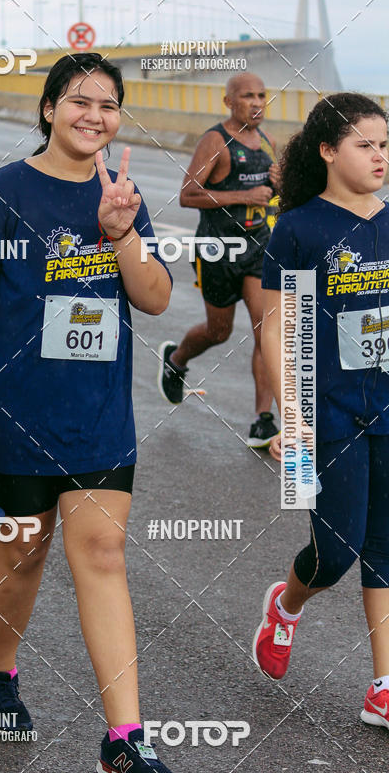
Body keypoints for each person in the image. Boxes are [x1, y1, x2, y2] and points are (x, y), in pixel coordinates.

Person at [0, 52, 179, 773]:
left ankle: (124, 741)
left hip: (99, 415)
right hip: (13, 414)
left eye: (108, 104)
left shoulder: (122, 197)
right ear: (47, 110)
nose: (93, 115)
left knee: (102, 551)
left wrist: (120, 232)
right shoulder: (3, 193)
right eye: (78, 100)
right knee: (25, 550)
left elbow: (158, 298)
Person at [253, 92, 389, 731]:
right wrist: (293, 414)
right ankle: (288, 602)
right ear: (330, 151)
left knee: (385, 548)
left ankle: (383, 686)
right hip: (327, 413)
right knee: (335, 555)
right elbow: (277, 329)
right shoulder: (302, 228)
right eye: (365, 144)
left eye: (385, 145)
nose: (380, 156)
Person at [158, 72, 281, 447]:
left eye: (262, 95)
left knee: (267, 330)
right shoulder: (216, 140)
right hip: (217, 249)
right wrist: (245, 196)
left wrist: (281, 183)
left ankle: (263, 420)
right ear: (229, 101)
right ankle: (176, 360)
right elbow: (188, 195)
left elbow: (273, 194)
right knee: (219, 331)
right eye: (247, 96)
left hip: (258, 247)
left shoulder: (269, 142)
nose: (257, 102)